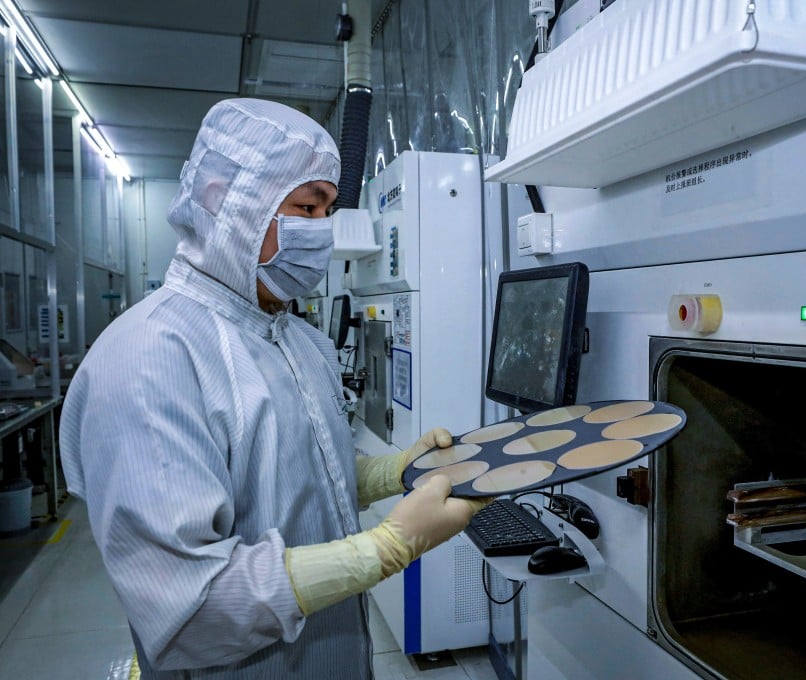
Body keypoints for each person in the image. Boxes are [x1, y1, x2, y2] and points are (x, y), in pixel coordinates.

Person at [59, 98, 487, 678]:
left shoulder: (297, 340)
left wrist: (398, 471)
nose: (320, 232)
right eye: (306, 207)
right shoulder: (151, 357)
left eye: (328, 210)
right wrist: (385, 549)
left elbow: (303, 475)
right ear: (225, 205)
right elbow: (187, 607)